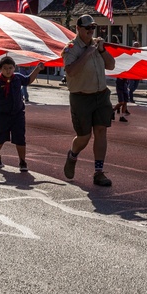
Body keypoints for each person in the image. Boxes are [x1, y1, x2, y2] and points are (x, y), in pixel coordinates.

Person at [62, 15, 115, 187]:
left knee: (101, 132)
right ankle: (73, 155)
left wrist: (101, 50)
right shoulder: (71, 48)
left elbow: (111, 65)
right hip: (81, 97)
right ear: (78, 29)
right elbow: (71, 71)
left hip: (101, 94)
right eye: (87, 28)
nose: (91, 31)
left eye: (93, 28)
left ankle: (99, 172)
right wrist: (88, 52)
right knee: (84, 137)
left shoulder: (96, 45)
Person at [0, 56, 45, 173]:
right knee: (1, 136)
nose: (8, 70)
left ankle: (22, 161)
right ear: (0, 69)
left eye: (10, 68)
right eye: (5, 68)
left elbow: (28, 80)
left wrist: (37, 69)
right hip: (4, 115)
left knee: (20, 137)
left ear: (14, 68)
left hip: (18, 114)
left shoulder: (17, 78)